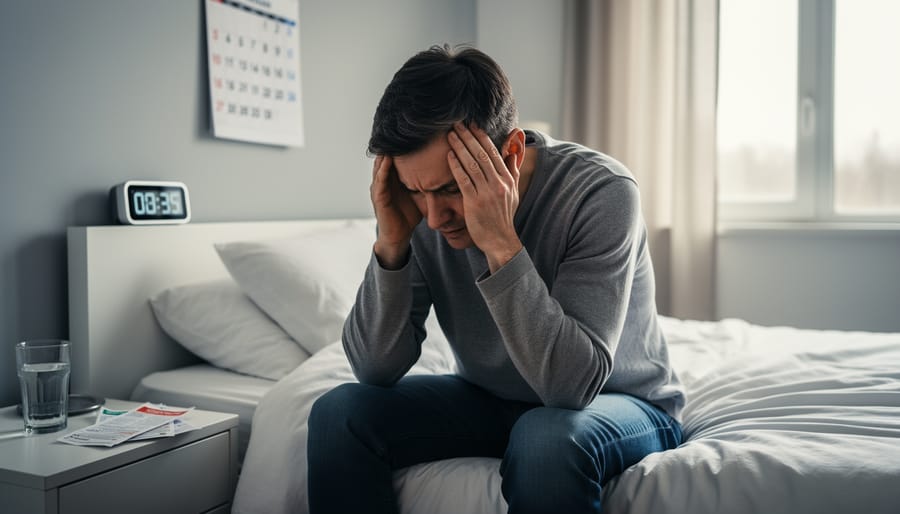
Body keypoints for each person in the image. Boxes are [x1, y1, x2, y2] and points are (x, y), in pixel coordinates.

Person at [307, 44, 685, 514]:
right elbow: (375, 368)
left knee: (546, 437)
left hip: (619, 401)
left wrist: (501, 245)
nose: (435, 215)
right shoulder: (421, 212)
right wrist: (392, 243)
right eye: (416, 191)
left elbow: (572, 387)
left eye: (452, 189)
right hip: (492, 398)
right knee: (339, 413)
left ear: (510, 151)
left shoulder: (601, 192)